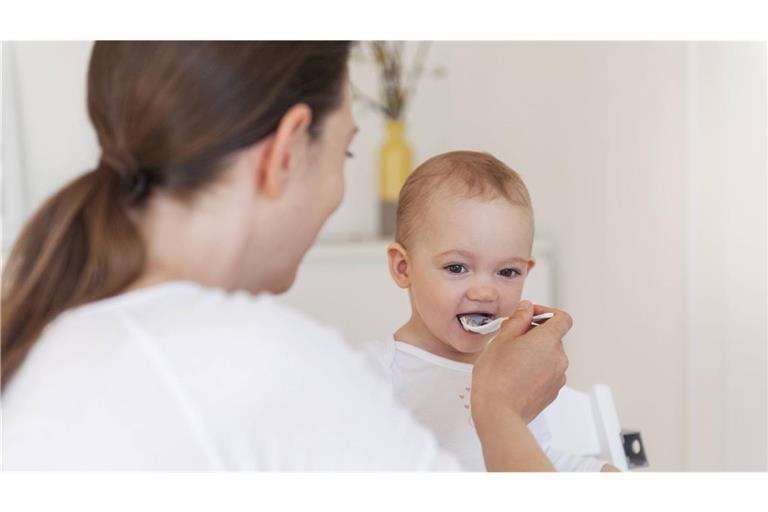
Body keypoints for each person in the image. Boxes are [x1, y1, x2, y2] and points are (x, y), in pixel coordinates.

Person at [1, 42, 570, 471]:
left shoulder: (67, 332)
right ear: (288, 151)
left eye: (506, 270)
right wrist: (499, 413)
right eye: (345, 150)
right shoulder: (268, 365)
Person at [375, 151, 619, 471]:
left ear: (527, 271)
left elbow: (542, 457)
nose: (485, 292)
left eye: (507, 272)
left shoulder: (515, 372)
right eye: (457, 267)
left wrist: (599, 473)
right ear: (404, 267)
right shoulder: (376, 374)